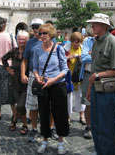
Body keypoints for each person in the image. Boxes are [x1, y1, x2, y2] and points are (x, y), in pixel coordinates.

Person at [86, 13, 115, 155]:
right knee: (96, 125)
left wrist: (98, 75)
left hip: (108, 91)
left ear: (104, 26)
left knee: (107, 126)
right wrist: (90, 88)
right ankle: (100, 151)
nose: (92, 26)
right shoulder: (96, 42)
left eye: (95, 23)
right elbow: (94, 68)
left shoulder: (113, 42)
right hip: (96, 88)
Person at [33, 24, 69, 154]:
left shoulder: (59, 49)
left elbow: (65, 69)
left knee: (60, 113)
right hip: (43, 85)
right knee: (43, 113)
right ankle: (44, 140)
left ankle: (60, 142)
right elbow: (35, 67)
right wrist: (37, 77)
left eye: (45, 33)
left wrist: (53, 80)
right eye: (40, 33)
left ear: (51, 35)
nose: (42, 36)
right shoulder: (37, 49)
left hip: (58, 84)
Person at [2, 30, 29, 134]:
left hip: (26, 82)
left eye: (23, 39)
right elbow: (3, 59)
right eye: (19, 39)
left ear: (27, 40)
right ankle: (25, 124)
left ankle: (14, 119)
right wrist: (8, 69)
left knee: (21, 105)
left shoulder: (29, 51)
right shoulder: (14, 51)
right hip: (15, 82)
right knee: (19, 105)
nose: (21, 41)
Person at [21, 18, 43, 142]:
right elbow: (25, 60)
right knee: (33, 105)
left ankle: (50, 128)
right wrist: (22, 74)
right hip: (33, 75)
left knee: (49, 105)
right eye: (34, 27)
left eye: (38, 27)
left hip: (47, 76)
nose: (35, 29)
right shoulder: (30, 43)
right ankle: (34, 129)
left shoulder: (51, 40)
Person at [64, 32, 86, 125]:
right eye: (74, 42)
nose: (76, 44)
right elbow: (60, 59)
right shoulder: (65, 48)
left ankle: (82, 115)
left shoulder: (83, 48)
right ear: (71, 41)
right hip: (69, 76)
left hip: (79, 76)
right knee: (69, 96)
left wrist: (82, 58)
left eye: (78, 42)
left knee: (80, 96)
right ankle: (68, 116)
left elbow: (87, 58)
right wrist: (68, 57)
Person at [80, 31, 95, 139]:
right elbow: (84, 58)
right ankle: (88, 127)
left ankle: (98, 126)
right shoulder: (87, 41)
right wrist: (99, 55)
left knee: (101, 102)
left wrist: (92, 53)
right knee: (87, 102)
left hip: (102, 76)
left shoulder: (110, 40)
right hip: (87, 74)